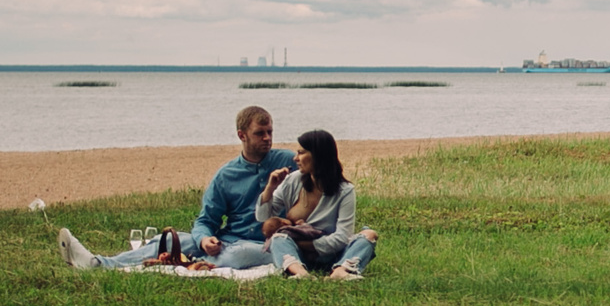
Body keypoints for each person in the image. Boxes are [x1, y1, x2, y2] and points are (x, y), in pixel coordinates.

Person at [56, 104, 292, 271]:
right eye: (259, 133)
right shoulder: (226, 175)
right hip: (226, 240)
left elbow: (314, 171)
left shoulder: (288, 161)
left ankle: (188, 265)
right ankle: (99, 263)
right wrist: (204, 240)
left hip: (263, 245)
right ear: (242, 135)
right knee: (168, 240)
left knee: (239, 255)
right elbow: (206, 220)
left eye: (270, 132)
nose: (267, 138)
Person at [257, 128, 379, 279]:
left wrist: (304, 244)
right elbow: (263, 217)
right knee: (277, 239)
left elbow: (342, 237)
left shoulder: (345, 191)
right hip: (300, 255)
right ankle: (300, 273)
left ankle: (341, 270)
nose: (295, 158)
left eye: (301, 153)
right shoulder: (293, 180)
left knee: (369, 235)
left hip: (334, 255)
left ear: (318, 155)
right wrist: (270, 188)